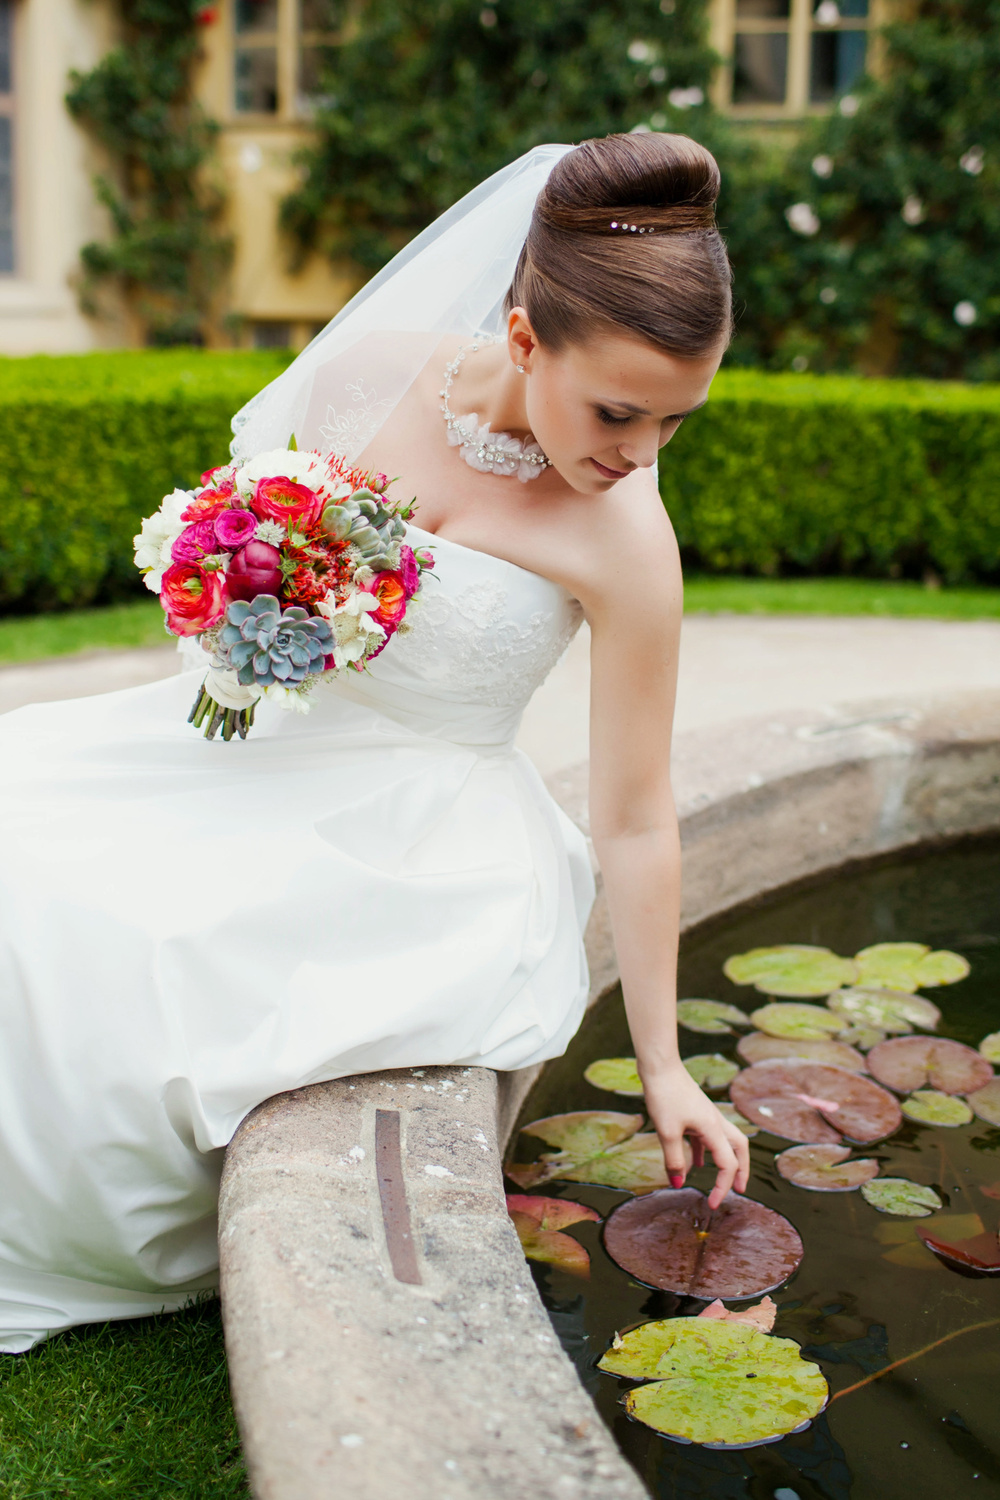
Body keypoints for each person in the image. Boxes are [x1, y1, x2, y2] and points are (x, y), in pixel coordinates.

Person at [0, 131, 749, 1354]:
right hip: (260, 743)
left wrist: (663, 1064)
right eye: (619, 411)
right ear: (522, 338)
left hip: (421, 841)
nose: (641, 456)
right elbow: (243, 549)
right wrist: (237, 605)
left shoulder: (627, 542)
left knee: (150, 944)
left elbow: (634, 813)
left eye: (679, 421)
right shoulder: (364, 379)